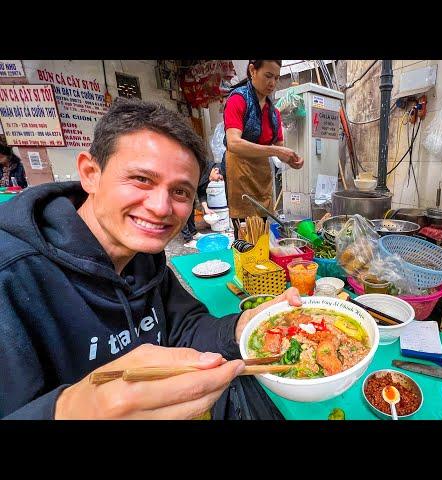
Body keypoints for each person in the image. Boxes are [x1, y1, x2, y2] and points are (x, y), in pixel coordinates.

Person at [0, 98, 302, 419]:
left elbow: (183, 327)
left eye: (181, 192)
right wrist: (72, 409)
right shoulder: (12, 277)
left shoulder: (144, 257)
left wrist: (241, 328)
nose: (161, 208)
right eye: (142, 179)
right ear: (90, 173)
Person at [222, 60, 304, 238]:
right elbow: (233, 143)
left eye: (276, 77)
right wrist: (275, 151)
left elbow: (279, 148)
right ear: (252, 70)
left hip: (261, 176)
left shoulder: (273, 113)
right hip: (240, 173)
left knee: (263, 228)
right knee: (245, 233)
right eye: (268, 76)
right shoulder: (238, 99)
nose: (273, 83)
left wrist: (291, 158)